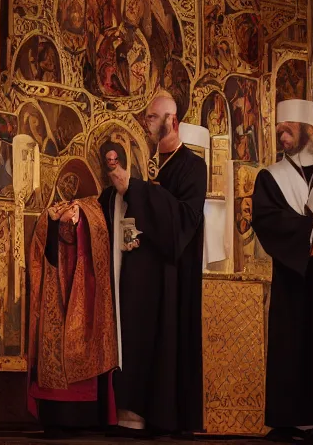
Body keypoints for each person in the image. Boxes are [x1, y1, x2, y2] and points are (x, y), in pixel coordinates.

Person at [102, 90, 205, 435]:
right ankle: (130, 412)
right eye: (146, 117)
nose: (146, 123)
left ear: (172, 121)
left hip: (169, 278)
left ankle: (158, 415)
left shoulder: (192, 166)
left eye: (152, 117)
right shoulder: (146, 161)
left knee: (162, 343)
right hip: (136, 274)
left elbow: (182, 219)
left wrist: (135, 190)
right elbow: (118, 200)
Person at [251, 99, 313, 442]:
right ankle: (291, 418)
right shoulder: (271, 177)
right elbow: (266, 218)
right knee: (293, 341)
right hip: (294, 277)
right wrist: (312, 229)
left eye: (288, 128)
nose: (281, 134)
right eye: (279, 129)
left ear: (309, 128)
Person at [25, 194, 120, 437]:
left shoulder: (94, 210)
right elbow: (41, 244)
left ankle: (85, 418)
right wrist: (53, 218)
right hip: (55, 285)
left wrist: (81, 219)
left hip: (85, 284)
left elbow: (100, 244)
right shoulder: (51, 213)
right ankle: (56, 416)